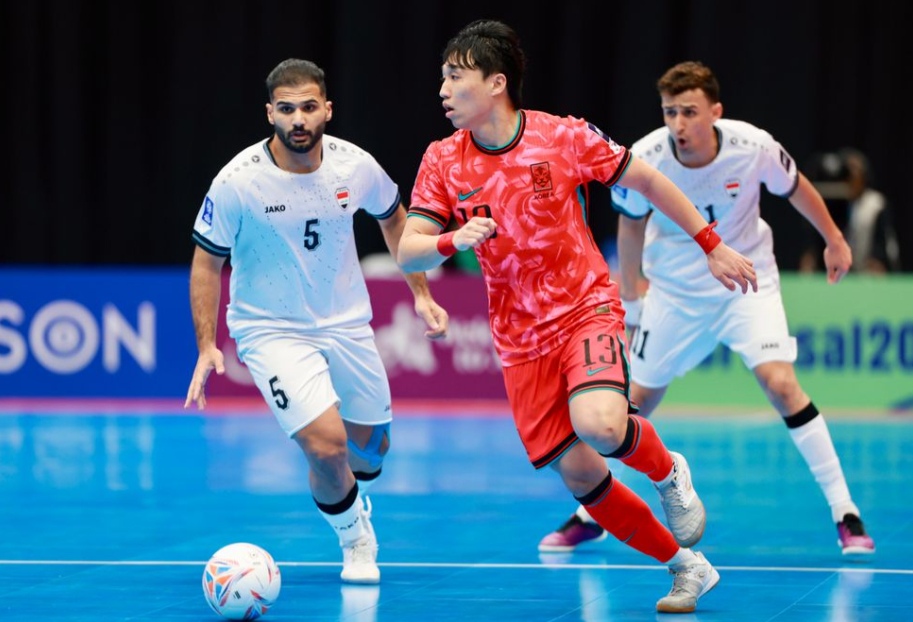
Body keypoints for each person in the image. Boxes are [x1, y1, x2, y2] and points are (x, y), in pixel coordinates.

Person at [399, 21, 759, 614]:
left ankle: (669, 473)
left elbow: (649, 181)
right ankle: (686, 568)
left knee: (600, 424)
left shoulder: (562, 136)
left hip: (584, 308)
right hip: (519, 338)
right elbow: (407, 248)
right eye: (443, 77)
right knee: (581, 478)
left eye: (455, 76)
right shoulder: (442, 160)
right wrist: (450, 240)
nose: (443, 89)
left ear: (496, 83)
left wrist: (711, 244)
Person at [538, 61, 876, 557]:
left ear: (715, 112)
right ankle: (592, 515)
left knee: (781, 384)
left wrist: (834, 239)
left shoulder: (752, 146)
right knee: (627, 405)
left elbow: (797, 186)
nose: (678, 123)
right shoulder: (646, 156)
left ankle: (845, 512)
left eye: (689, 112)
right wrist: (630, 297)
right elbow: (630, 226)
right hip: (674, 294)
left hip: (746, 282)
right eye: (670, 112)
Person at [184, 59, 448, 585]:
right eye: (286, 109)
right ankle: (355, 541)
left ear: (327, 109)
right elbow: (206, 262)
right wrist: (206, 345)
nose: (298, 119)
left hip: (346, 324)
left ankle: (350, 494)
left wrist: (420, 293)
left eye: (308, 107)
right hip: (270, 329)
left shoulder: (355, 166)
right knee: (326, 446)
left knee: (370, 452)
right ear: (270, 114)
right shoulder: (238, 181)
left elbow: (395, 218)